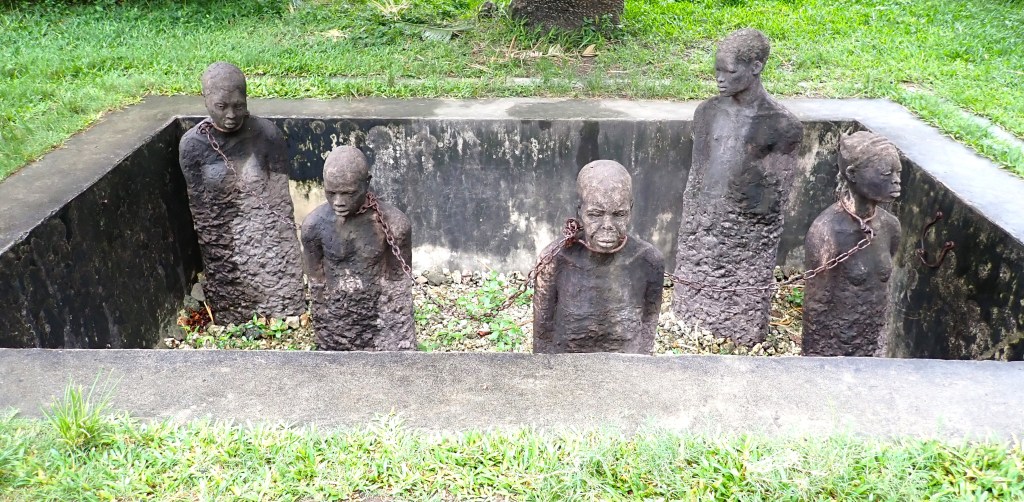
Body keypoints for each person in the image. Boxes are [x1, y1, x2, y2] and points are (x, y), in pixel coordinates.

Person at [671, 28, 804, 345]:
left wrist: (747, 198)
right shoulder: (707, 113)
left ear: (756, 67)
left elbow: (775, 199)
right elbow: (697, 178)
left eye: (729, 72)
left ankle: (737, 327)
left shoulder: (781, 125)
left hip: (746, 234)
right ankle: (692, 313)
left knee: (738, 295)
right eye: (716, 70)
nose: (720, 79)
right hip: (703, 230)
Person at [178, 62, 305, 324]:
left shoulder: (267, 134)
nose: (232, 115)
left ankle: (281, 310)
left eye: (238, 105)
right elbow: (201, 212)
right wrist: (222, 255)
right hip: (224, 241)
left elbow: (281, 202)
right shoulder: (192, 145)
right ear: (206, 101)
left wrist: (280, 256)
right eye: (221, 106)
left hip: (268, 236)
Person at [533, 160, 664, 354]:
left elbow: (647, 334)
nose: (607, 225)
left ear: (630, 209)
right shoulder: (554, 260)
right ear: (580, 211)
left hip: (625, 367)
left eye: (619, 214)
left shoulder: (648, 261)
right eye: (595, 214)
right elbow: (542, 340)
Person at [301, 146, 416, 351]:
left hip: (378, 318)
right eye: (331, 193)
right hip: (336, 318)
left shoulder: (394, 225)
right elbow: (317, 284)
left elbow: (398, 285)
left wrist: (393, 333)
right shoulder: (313, 226)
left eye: (348, 193)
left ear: (367, 183)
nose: (338, 202)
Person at [802, 131, 902, 356]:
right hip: (836, 346)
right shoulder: (826, 232)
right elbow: (817, 306)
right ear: (852, 174)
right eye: (886, 173)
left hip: (872, 342)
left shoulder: (890, 226)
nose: (896, 180)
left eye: (898, 172)